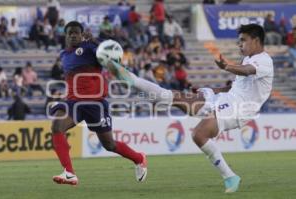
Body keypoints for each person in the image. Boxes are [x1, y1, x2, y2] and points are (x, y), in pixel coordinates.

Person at [106, 24, 273, 193]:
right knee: (174, 96)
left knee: (199, 135)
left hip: (240, 108)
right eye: (239, 41)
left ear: (256, 40)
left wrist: (227, 67)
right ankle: (132, 79)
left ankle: (230, 176)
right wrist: (212, 90)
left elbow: (247, 71)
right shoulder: (247, 59)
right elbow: (235, 87)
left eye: (243, 40)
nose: (240, 44)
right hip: (227, 99)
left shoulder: (264, 61)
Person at [50, 21, 147, 186]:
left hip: (96, 104)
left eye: (76, 32)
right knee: (57, 126)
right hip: (74, 103)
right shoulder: (63, 54)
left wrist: (95, 42)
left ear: (81, 34)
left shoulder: (90, 48)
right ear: (65, 36)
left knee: (109, 144)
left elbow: (107, 55)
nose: (73, 35)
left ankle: (139, 158)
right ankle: (69, 173)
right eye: (70, 33)